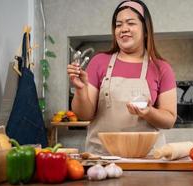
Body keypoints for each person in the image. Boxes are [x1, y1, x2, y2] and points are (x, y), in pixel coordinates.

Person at [67, 0, 177, 155]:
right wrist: (80, 90)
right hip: (102, 159)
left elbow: (169, 120)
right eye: (118, 25)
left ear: (145, 29)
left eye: (130, 23)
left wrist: (149, 112)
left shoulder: (161, 68)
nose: (123, 29)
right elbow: (84, 115)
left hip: (147, 161)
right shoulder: (99, 62)